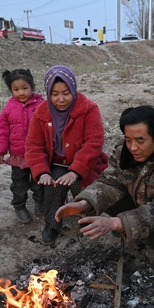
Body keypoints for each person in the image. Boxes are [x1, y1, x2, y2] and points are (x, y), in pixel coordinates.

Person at [55, 106, 154, 277]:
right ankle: (131, 228)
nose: (132, 147)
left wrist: (115, 223)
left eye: (140, 140)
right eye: (128, 139)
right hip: (143, 198)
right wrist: (84, 203)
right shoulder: (125, 149)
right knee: (104, 200)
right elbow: (111, 181)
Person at [25, 65, 108, 246]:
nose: (61, 99)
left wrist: (76, 171)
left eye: (66, 93)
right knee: (54, 184)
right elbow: (33, 146)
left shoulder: (89, 109)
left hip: (84, 165)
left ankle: (89, 221)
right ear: (48, 93)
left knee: (82, 187)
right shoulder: (40, 113)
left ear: (73, 89)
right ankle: (52, 223)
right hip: (54, 164)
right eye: (54, 94)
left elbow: (94, 143)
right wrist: (42, 172)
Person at [0, 69, 45, 223]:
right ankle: (19, 205)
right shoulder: (8, 108)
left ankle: (40, 203)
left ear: (33, 87)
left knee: (39, 182)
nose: (21, 92)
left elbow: (49, 127)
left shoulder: (41, 105)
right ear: (11, 90)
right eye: (16, 89)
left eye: (25, 88)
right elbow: (1, 131)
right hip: (18, 155)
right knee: (19, 184)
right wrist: (0, 151)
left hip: (38, 155)